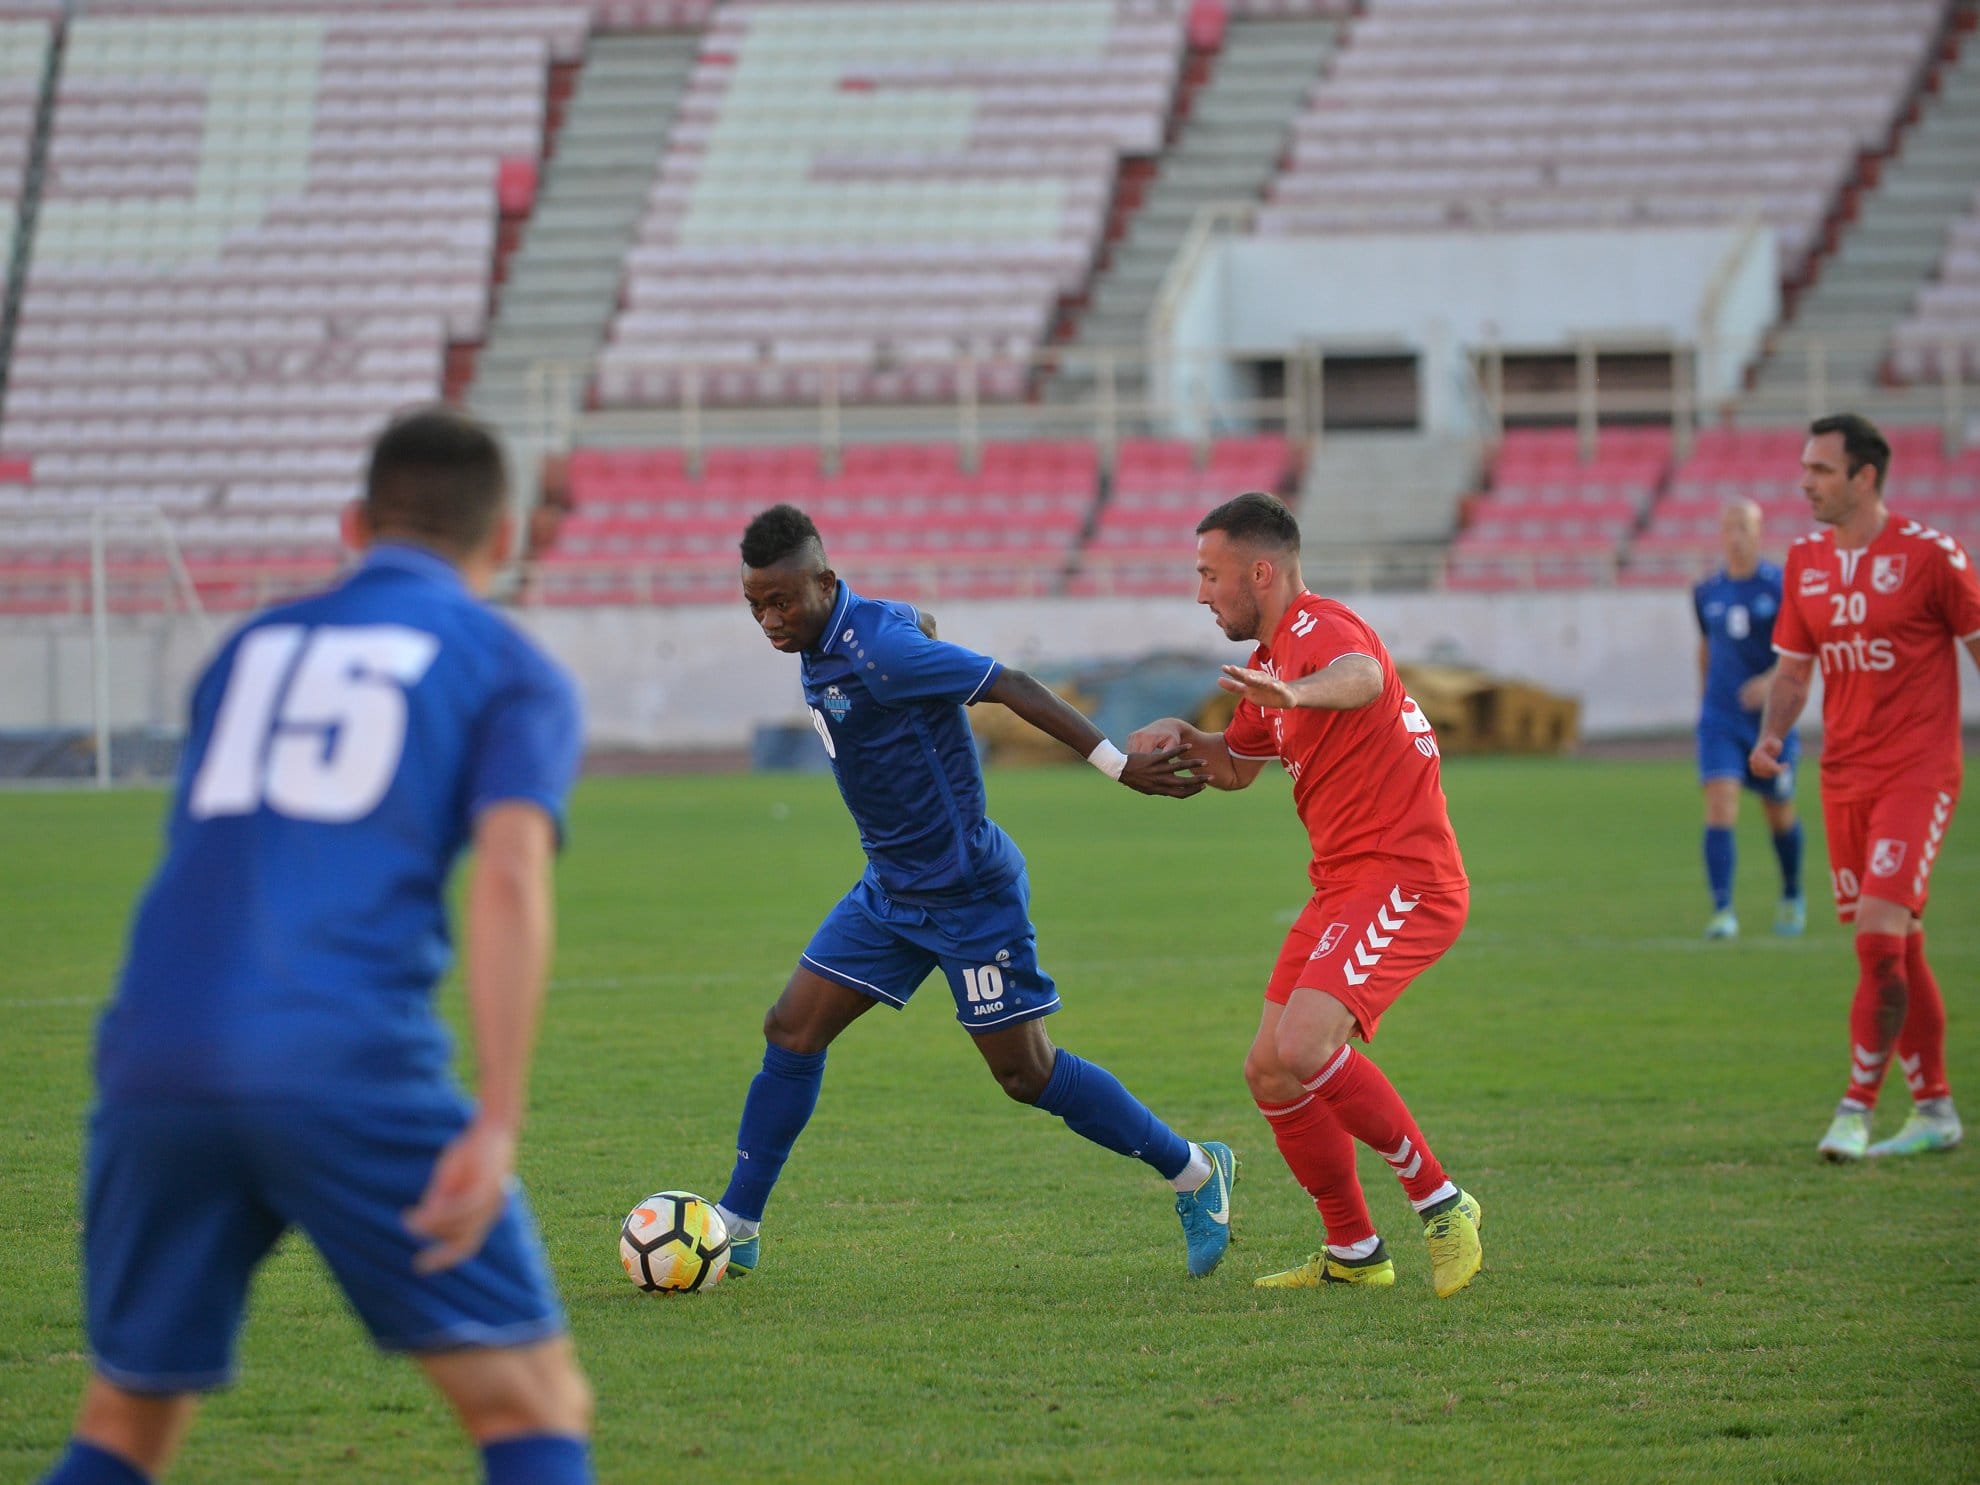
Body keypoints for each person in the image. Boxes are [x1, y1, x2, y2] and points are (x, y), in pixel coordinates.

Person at [39, 408, 594, 1485]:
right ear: (506, 538)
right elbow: (512, 875)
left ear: (353, 522)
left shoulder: (246, 648)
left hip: (154, 1059)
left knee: (126, 1420)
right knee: (531, 1401)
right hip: (341, 1057)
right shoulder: (507, 666)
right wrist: (501, 1114)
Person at [717, 504, 1237, 1281]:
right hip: (889, 891)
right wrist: (922, 627)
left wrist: (1117, 765)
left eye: (781, 601)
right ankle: (738, 1221)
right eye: (755, 603)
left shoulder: (883, 651)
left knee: (1026, 1075)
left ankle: (1197, 1170)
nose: (768, 619)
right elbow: (910, 621)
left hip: (968, 895)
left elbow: (1013, 684)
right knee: (791, 1029)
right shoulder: (840, 628)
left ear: (824, 582)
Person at [1126, 492, 1482, 1298]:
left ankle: (1444, 1202)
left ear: (1261, 571)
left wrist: (1299, 693)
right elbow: (1236, 765)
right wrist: (1190, 739)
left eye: (1209, 574)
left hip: (1405, 875)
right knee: (1271, 1070)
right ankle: (1354, 1249)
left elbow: (1359, 677)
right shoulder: (1272, 665)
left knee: (1305, 1046)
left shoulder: (1320, 633)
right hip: (1341, 884)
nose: (1200, 593)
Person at [1751, 412, 1980, 1162]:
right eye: (1805, 467)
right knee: (1897, 948)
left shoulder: (1931, 556)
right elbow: (1792, 669)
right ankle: (1938, 1108)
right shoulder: (1806, 560)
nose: (1805, 482)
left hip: (1917, 769)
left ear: (1865, 476)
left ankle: (1854, 1109)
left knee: (1880, 937)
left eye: (1820, 469)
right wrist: (1774, 735)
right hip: (1842, 774)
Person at [1693, 497, 1804, 939]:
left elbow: (1798, 652)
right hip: (1720, 719)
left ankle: (1792, 894)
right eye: (1728, 527)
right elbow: (1705, 648)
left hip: (1768, 722)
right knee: (1721, 805)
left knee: (1778, 813)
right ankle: (1723, 911)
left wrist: (1769, 680)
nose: (1735, 535)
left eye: (1744, 526)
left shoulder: (1779, 586)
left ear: (1759, 532)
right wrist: (1705, 701)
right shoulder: (1706, 591)